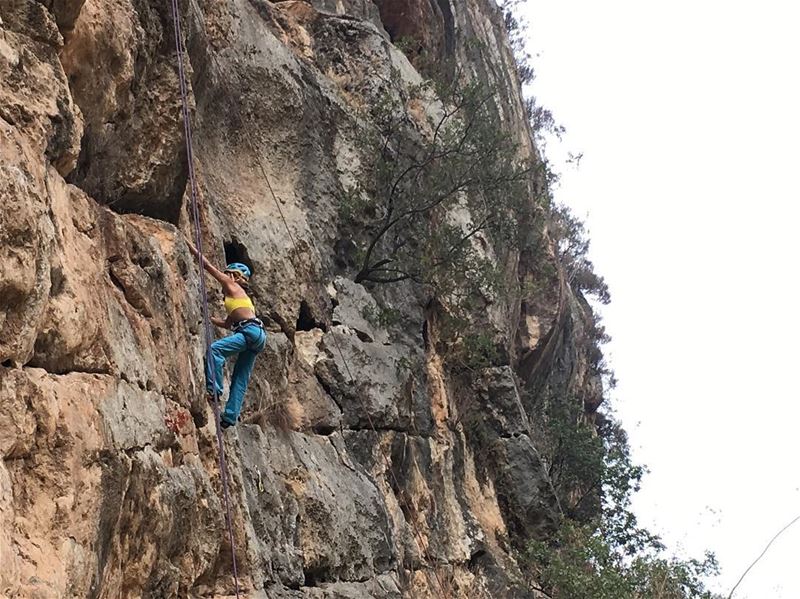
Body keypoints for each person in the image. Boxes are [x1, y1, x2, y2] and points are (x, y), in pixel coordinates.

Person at [187, 241, 267, 429]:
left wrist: (189, 245)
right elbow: (227, 323)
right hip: (257, 335)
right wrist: (209, 318)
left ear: (233, 275)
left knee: (215, 350)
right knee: (241, 378)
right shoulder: (239, 299)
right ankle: (229, 417)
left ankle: (214, 389)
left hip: (249, 331)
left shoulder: (231, 285)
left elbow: (206, 265)